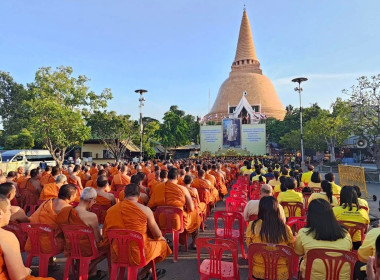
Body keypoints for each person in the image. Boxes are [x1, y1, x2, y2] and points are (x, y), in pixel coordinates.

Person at [102, 183, 171, 279]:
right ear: (139, 196)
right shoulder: (145, 210)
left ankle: (147, 272)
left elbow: (106, 234)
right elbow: (157, 235)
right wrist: (161, 238)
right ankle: (143, 272)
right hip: (139, 254)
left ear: (124, 194)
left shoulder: (111, 211)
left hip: (117, 252)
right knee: (164, 245)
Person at [56, 187, 107, 279]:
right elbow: (98, 239)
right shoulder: (91, 216)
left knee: (85, 240)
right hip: (86, 250)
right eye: (94, 201)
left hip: (70, 247)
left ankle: (91, 272)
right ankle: (86, 270)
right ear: (90, 200)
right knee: (108, 247)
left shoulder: (66, 211)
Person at [295, 199, 352, 280]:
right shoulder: (345, 233)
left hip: (312, 277)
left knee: (302, 261)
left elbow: (298, 252)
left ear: (310, 216)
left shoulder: (303, 233)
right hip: (342, 277)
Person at [0, 195, 54, 280]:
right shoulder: (5, 236)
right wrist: (26, 270)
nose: (10, 213)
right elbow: (19, 277)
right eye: (9, 210)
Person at [148, 168, 201, 249]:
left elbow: (151, 205)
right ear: (177, 177)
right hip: (178, 221)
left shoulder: (158, 187)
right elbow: (191, 208)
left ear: (167, 177)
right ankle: (194, 243)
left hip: (160, 221)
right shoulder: (183, 189)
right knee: (197, 217)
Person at [246, 196, 294, 280]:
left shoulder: (252, 226)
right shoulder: (285, 229)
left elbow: (249, 246)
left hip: (259, 272)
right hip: (281, 273)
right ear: (277, 209)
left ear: (260, 209)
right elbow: (291, 249)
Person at [25, 184, 77, 261]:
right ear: (70, 197)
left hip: (33, 240)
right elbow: (69, 229)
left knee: (49, 230)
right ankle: (77, 265)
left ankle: (49, 262)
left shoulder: (48, 201)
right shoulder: (67, 208)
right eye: (75, 195)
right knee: (76, 238)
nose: (76, 197)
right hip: (50, 244)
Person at [333, 186, 369, 250]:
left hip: (340, 242)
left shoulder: (335, 210)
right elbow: (365, 230)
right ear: (356, 197)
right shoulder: (363, 213)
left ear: (342, 197)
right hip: (357, 244)